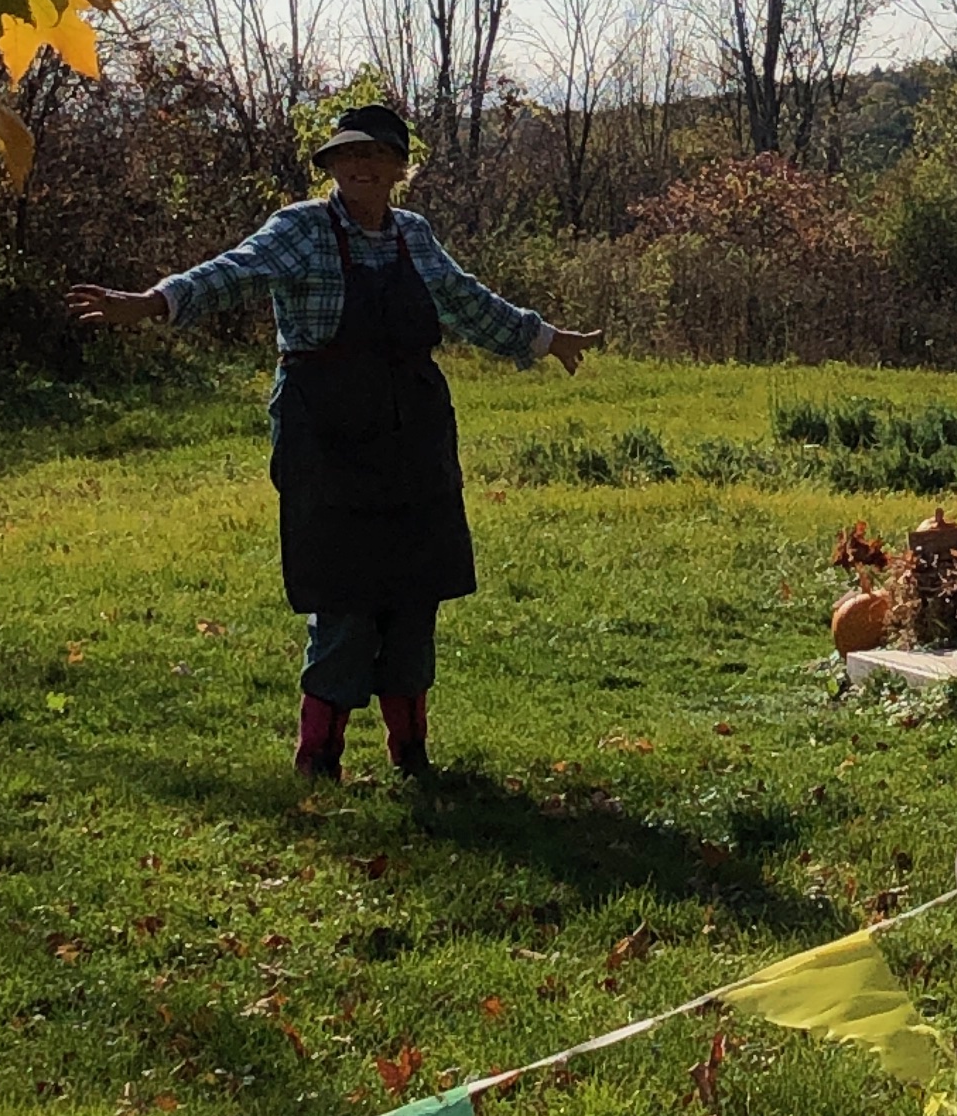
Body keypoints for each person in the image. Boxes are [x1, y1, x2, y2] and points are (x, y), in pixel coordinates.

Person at [70, 101, 598, 781]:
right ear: (331, 166)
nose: (362, 167)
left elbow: (468, 303)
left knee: (414, 594)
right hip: (327, 439)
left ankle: (412, 754)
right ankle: (318, 760)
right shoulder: (302, 229)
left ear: (401, 169)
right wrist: (154, 301)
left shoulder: (415, 235)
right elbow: (233, 271)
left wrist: (547, 339)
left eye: (378, 155)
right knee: (344, 598)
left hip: (415, 441)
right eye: (349, 155)